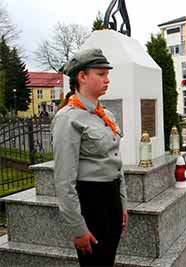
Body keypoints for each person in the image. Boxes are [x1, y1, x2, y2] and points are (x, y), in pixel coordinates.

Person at [52, 48, 128, 266]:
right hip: (91, 203)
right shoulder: (68, 119)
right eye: (101, 74)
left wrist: (122, 204)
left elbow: (115, 162)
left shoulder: (106, 115)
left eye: (107, 74)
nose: (107, 80)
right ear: (82, 77)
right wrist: (78, 228)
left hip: (111, 199)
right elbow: (64, 181)